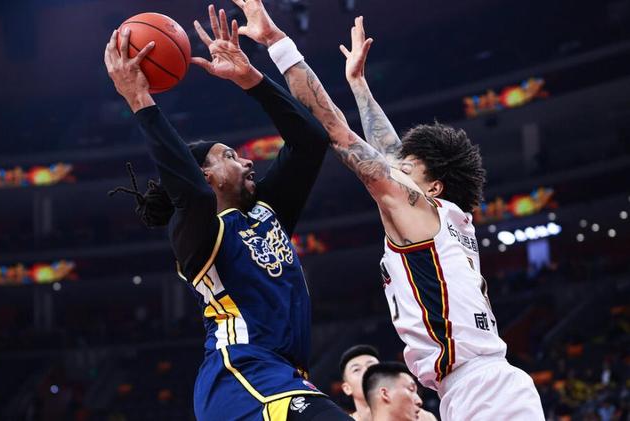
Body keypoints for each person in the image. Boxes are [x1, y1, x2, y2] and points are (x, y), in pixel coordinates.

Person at [228, 1, 545, 419]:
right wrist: (359, 85)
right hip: (473, 387)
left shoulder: (421, 211)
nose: (395, 168)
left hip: (484, 389)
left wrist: (277, 42)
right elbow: (392, 153)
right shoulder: (442, 218)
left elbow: (338, 132)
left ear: (433, 186)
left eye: (408, 169)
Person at [103, 6, 352, 420]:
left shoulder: (267, 211)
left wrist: (251, 79)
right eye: (231, 157)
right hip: (240, 375)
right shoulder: (197, 233)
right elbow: (192, 194)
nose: (248, 161)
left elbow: (309, 141)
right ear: (207, 176)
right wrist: (140, 100)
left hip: (283, 377)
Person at [339, 345, 436, 421]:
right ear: (347, 388)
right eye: (356, 370)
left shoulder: (422, 417)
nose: (366, 371)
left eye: (371, 366)